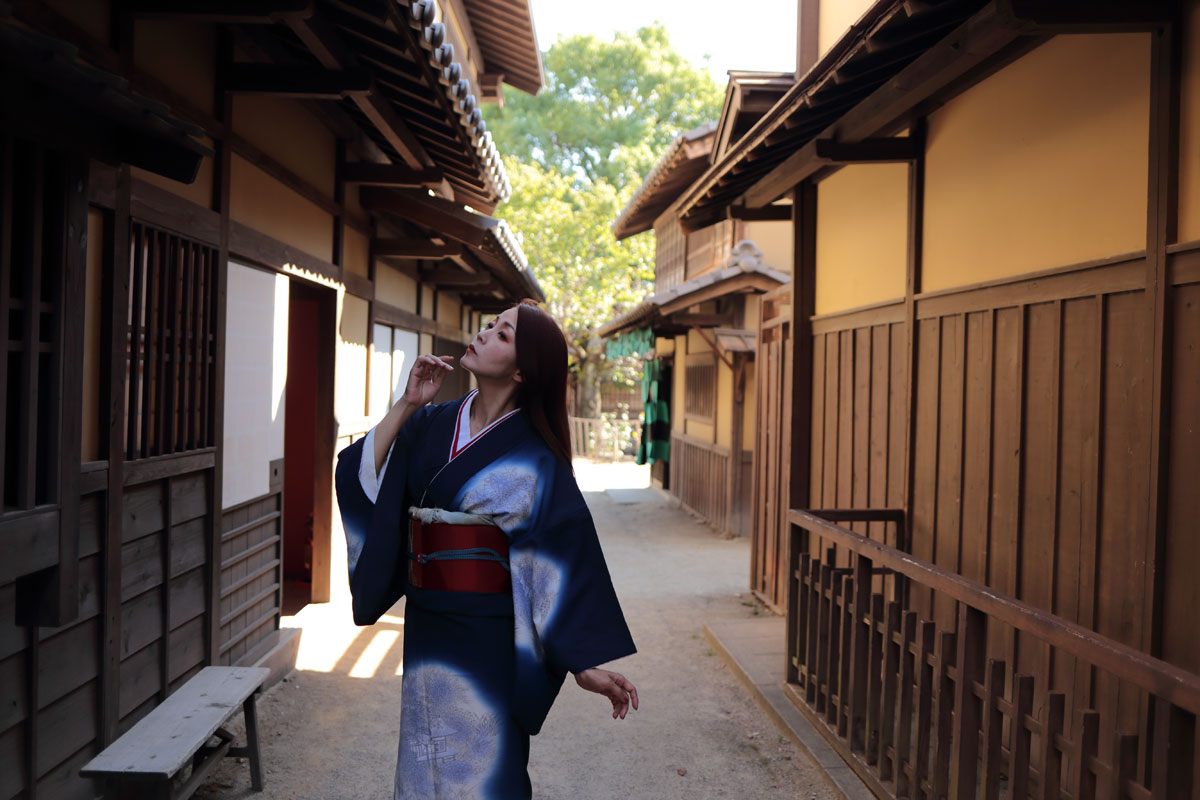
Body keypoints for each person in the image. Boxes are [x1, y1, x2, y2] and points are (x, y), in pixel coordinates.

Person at [335, 300, 638, 799]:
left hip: (491, 637)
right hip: (429, 630)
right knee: (424, 760)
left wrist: (582, 663)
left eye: (502, 334)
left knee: (486, 768)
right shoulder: (430, 423)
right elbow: (362, 472)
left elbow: (559, 561)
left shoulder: (537, 457)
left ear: (522, 370)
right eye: (491, 324)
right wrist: (408, 403)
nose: (484, 332)